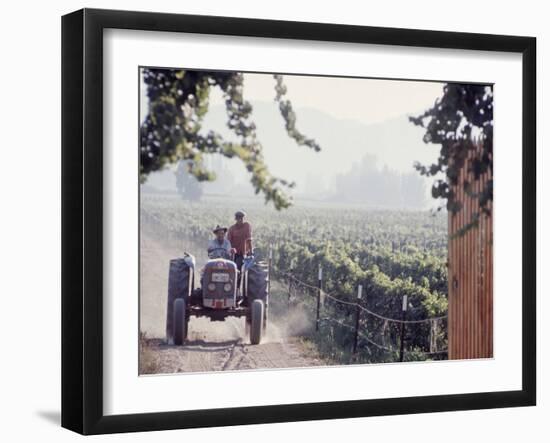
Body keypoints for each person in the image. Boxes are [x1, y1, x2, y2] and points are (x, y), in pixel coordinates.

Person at [227, 210, 253, 282]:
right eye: (238, 219)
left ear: (243, 219)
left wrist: (251, 251)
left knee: (238, 266)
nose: (240, 220)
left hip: (242, 253)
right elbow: (228, 242)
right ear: (236, 219)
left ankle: (237, 286)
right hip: (233, 253)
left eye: (241, 218)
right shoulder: (232, 229)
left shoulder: (247, 226)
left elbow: (249, 239)